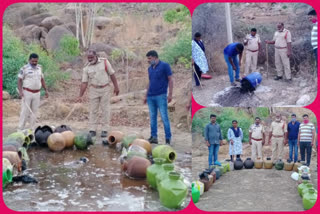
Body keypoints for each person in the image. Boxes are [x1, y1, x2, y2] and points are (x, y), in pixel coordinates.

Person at [77, 50, 119, 140]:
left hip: (105, 89)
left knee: (105, 109)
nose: (90, 59)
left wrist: (116, 87)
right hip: (93, 90)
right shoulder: (86, 68)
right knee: (93, 110)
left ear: (96, 56)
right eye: (88, 58)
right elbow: (84, 83)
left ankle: (104, 129)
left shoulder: (104, 62)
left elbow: (112, 74)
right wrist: (80, 95)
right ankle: (92, 129)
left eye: (91, 57)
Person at [144, 50, 173, 145]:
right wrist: (145, 95)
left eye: (149, 58)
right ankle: (154, 137)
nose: (148, 60)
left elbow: (170, 80)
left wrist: (170, 94)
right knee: (152, 117)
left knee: (164, 117)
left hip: (161, 95)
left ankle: (168, 139)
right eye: (148, 59)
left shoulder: (165, 66)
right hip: (150, 96)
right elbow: (149, 82)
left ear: (155, 57)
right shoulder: (150, 69)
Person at [18, 53, 49, 131]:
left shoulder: (39, 68)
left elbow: (42, 79)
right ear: (29, 60)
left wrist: (46, 90)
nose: (34, 63)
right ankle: (20, 130)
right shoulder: (24, 69)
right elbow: (19, 80)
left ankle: (31, 130)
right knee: (25, 112)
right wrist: (21, 92)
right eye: (33, 61)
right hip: (27, 92)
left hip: (37, 93)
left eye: (36, 61)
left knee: (34, 112)